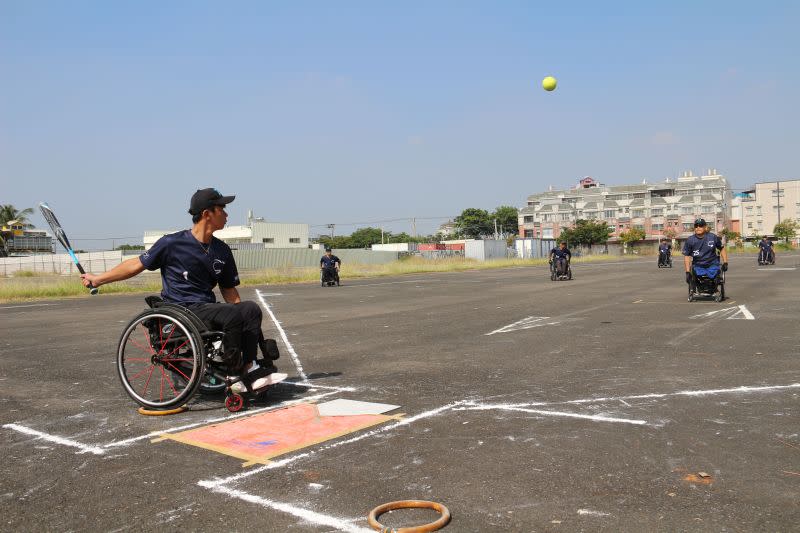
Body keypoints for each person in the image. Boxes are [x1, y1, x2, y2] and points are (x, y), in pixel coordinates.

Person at [81, 188, 280, 393]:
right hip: (181, 309)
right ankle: (234, 374)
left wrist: (246, 321)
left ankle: (250, 367)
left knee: (250, 309)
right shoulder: (172, 243)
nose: (227, 214)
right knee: (231, 315)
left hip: (206, 307)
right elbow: (136, 265)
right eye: (222, 208)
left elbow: (229, 291)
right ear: (206, 214)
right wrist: (98, 280)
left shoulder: (222, 250)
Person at [682, 218, 728, 285]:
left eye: (700, 225)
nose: (698, 227)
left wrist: (725, 262)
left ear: (705, 227)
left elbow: (722, 249)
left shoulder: (713, 237)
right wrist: (687, 272)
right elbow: (686, 256)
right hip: (698, 265)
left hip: (712, 264)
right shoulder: (690, 240)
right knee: (697, 277)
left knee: (715, 275)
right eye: (696, 226)